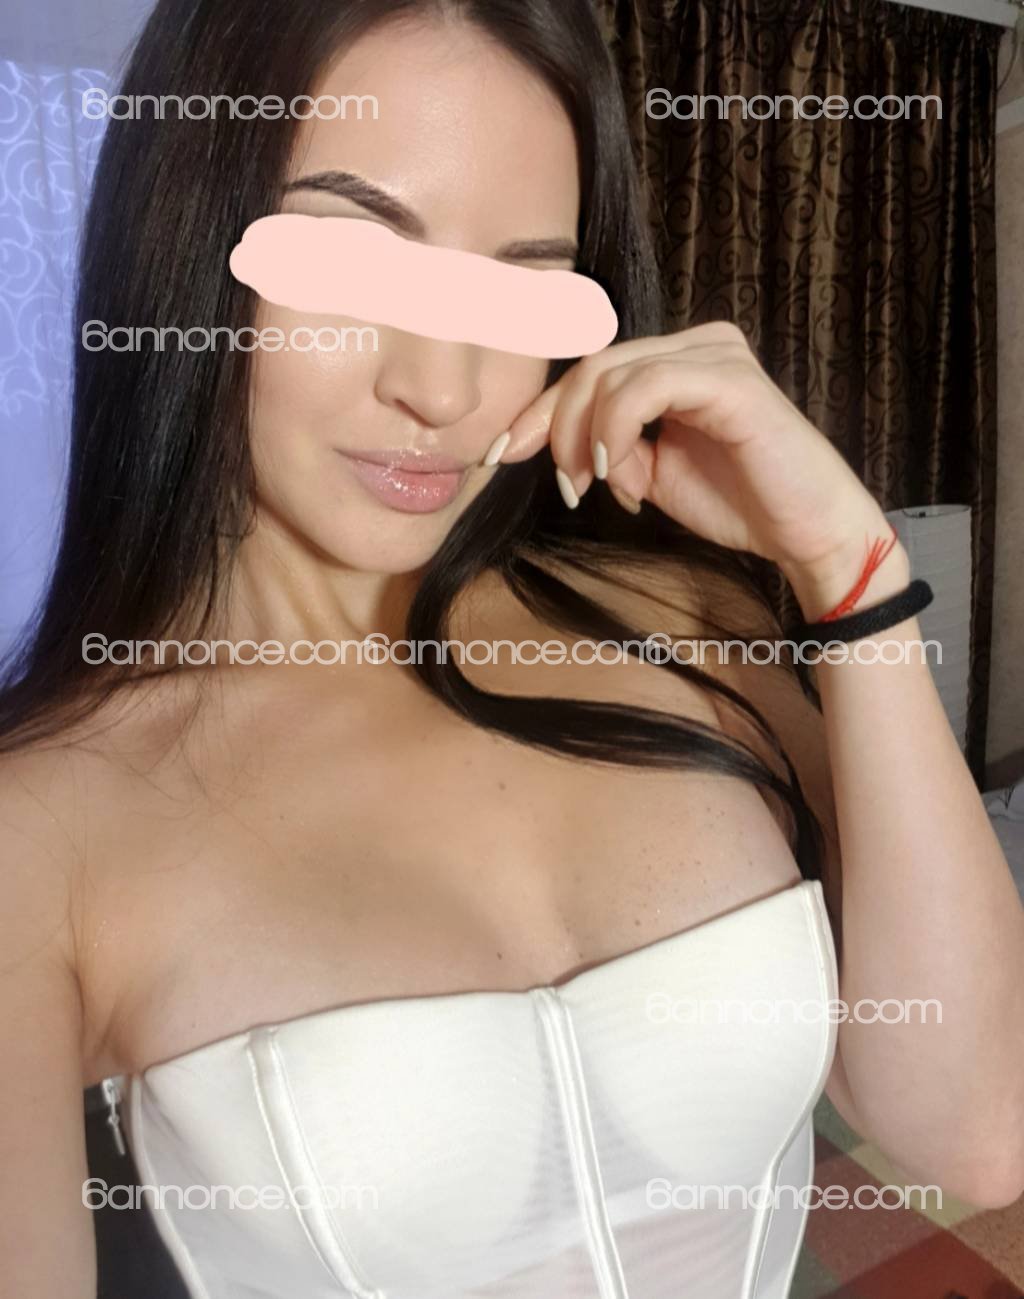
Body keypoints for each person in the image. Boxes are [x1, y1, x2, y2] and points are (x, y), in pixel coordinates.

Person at [1, 1, 1022, 1296]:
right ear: (186, 240)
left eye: (521, 286)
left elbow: (975, 1130)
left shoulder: (679, 623)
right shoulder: (42, 829)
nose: (443, 387)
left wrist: (850, 570)